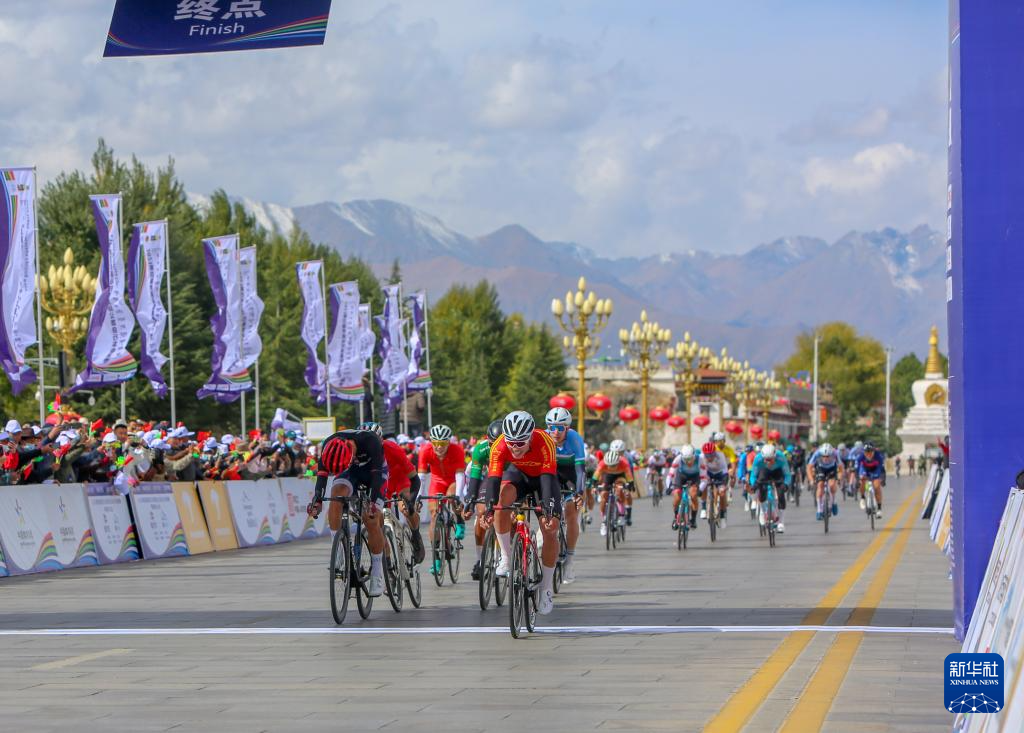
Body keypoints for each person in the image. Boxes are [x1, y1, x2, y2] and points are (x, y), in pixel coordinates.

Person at [484, 411, 561, 615]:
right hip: (519, 475)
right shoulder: (500, 444)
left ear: (530, 437)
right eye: (511, 443)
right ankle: (506, 556)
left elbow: (548, 479)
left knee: (550, 529)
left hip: (543, 479)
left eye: (520, 443)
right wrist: (489, 507)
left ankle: (545, 588)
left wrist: (548, 508)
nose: (515, 447)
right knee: (500, 501)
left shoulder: (544, 441)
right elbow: (493, 478)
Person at [308, 426, 387, 597]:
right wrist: (317, 501)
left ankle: (377, 574)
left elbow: (377, 476)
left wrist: (373, 504)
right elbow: (321, 478)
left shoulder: (370, 441)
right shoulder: (328, 445)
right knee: (336, 495)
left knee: (371, 518)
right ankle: (338, 551)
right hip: (349, 471)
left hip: (373, 472)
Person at [367, 422, 425, 567]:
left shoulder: (392, 448)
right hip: (381, 482)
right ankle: (387, 563)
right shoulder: (361, 453)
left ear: (381, 441)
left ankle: (415, 535)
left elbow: (414, 479)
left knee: (405, 508)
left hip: (399, 478)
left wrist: (411, 501)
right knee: (377, 522)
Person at [417, 424, 467, 577]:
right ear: (431, 442)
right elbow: (422, 477)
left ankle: (459, 520)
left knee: (452, 497)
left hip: (453, 480)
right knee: (434, 515)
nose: (439, 447)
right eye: (436, 443)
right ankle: (437, 558)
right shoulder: (425, 450)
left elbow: (460, 476)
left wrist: (457, 495)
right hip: (437, 482)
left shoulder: (457, 450)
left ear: (448, 442)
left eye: (443, 443)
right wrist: (418, 496)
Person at [545, 407, 586, 584]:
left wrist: (580, 492)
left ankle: (569, 560)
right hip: (552, 473)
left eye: (560, 428)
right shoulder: (544, 438)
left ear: (567, 428)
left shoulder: (575, 439)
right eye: (551, 427)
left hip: (570, 475)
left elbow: (581, 471)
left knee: (571, 513)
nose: (555, 432)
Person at [466, 419, 503, 581]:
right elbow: (474, 477)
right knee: (481, 511)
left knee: (510, 515)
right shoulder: (481, 449)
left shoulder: (513, 447)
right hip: (491, 477)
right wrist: (470, 501)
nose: (494, 448)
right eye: (491, 444)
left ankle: (509, 553)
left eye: (498, 444)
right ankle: (480, 559)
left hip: (509, 477)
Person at [748, 444, 791, 533]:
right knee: (761, 487)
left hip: (777, 472)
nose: (767, 462)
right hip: (764, 472)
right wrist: (754, 485)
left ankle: (781, 522)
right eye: (765, 460)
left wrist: (786, 485)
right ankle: (763, 511)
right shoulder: (758, 459)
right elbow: (753, 475)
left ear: (775, 456)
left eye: (770, 459)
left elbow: (787, 474)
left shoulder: (781, 457)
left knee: (781, 492)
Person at [594, 444, 635, 536]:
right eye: (610, 465)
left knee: (619, 490)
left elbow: (629, 476)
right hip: (608, 476)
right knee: (604, 495)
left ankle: (622, 516)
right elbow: (596, 475)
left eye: (613, 465)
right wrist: (594, 484)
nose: (612, 467)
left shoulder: (624, 462)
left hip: (620, 475)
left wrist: (630, 484)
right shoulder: (602, 463)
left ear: (618, 462)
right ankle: (604, 521)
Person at [670, 445, 706, 530]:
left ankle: (693, 519)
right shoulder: (678, 459)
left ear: (694, 456)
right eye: (685, 459)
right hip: (681, 476)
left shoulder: (700, 459)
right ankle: (676, 517)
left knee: (693, 496)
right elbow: (670, 475)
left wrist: (700, 489)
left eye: (690, 459)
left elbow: (704, 479)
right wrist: (669, 486)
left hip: (694, 477)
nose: (688, 462)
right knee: (677, 496)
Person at [807, 442, 842, 521]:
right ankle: (819, 510)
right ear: (821, 454)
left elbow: (840, 467)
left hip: (832, 468)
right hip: (821, 468)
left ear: (831, 454)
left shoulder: (835, 453)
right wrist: (811, 480)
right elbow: (809, 467)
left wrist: (839, 478)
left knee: (832, 485)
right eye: (823, 456)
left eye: (827, 456)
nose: (825, 458)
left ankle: (833, 502)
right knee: (820, 485)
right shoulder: (817, 453)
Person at [700, 441, 730, 529]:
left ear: (715, 453)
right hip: (708, 473)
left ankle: (722, 515)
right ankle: (704, 507)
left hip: (720, 474)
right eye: (707, 455)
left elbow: (725, 472)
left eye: (711, 455)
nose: (709, 457)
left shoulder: (720, 456)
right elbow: (700, 472)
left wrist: (723, 485)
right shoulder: (701, 457)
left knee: (722, 493)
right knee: (704, 485)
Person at [857, 441, 886, 519]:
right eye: (866, 452)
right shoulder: (861, 457)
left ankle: (879, 509)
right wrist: (857, 480)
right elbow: (857, 469)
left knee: (877, 487)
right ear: (864, 452)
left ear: (874, 451)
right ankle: (862, 497)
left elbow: (882, 470)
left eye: (870, 452)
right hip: (864, 469)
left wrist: (883, 479)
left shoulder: (878, 456)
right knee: (862, 480)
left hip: (875, 469)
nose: (868, 454)